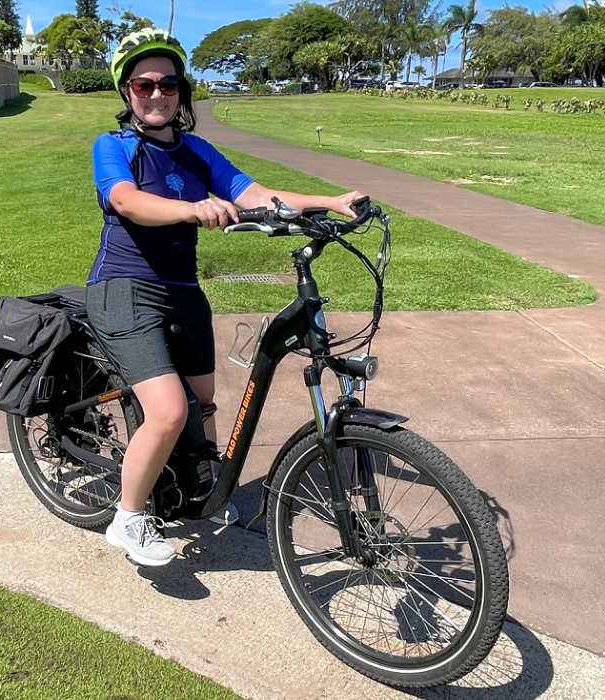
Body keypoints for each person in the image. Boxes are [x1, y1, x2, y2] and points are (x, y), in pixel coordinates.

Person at [90, 29, 366, 567]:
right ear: (127, 92)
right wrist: (194, 209)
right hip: (124, 288)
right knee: (168, 412)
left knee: (205, 405)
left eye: (167, 83)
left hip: (184, 293)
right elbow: (127, 202)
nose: (156, 93)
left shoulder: (195, 151)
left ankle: (200, 489)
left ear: (181, 93)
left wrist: (330, 201)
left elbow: (258, 195)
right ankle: (127, 518)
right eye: (143, 83)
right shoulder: (115, 146)